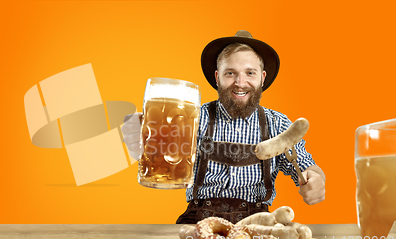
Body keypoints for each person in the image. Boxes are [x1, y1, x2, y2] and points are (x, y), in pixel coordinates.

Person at [122, 30, 325, 224]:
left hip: (258, 221)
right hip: (198, 218)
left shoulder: (278, 124)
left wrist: (315, 180)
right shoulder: (193, 118)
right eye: (230, 73)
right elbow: (166, 152)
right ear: (217, 77)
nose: (240, 82)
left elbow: (309, 167)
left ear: (262, 78)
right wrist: (146, 140)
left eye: (250, 73)